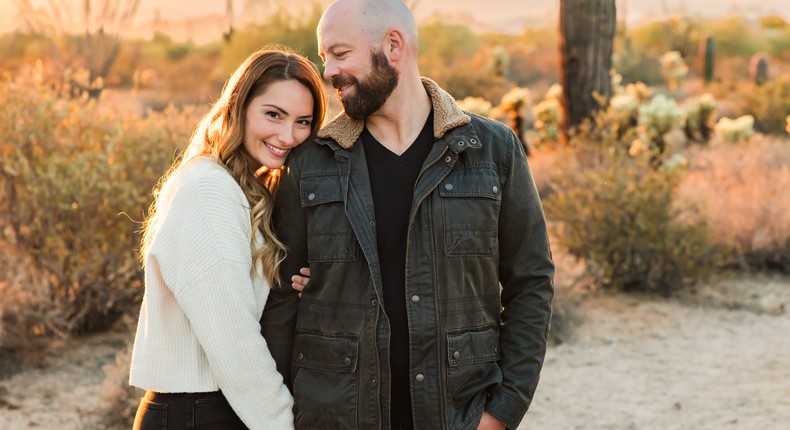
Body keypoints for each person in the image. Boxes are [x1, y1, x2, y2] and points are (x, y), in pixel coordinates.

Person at [262, 0, 555, 429]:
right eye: (325, 58)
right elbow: (282, 297)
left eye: (340, 54)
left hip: (459, 415)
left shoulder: (493, 150)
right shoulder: (310, 162)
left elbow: (531, 283)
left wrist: (502, 413)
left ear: (394, 46)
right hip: (335, 418)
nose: (327, 72)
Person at [129, 47, 327, 430]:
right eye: (273, 114)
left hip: (217, 409)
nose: (287, 135)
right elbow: (233, 339)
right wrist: (282, 422)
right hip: (196, 414)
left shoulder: (244, 188)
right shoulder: (208, 188)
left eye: (303, 121)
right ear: (238, 105)